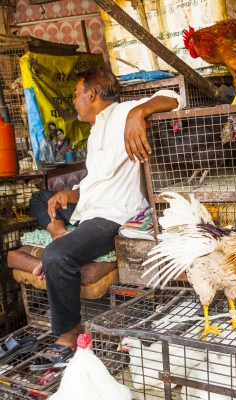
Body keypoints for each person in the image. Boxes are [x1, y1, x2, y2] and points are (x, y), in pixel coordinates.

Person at [29, 67, 182, 369]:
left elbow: (174, 97)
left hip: (110, 216)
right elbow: (92, 183)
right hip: (89, 205)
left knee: (58, 257)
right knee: (40, 198)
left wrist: (139, 112)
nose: (74, 101)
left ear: (92, 94)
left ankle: (69, 334)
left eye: (76, 94)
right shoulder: (95, 128)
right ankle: (60, 232)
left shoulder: (124, 112)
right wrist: (69, 196)